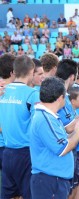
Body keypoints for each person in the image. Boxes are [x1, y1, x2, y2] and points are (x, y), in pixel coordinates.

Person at [29, 77, 79, 199]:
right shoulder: (45, 118)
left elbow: (65, 139)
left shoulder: (50, 116)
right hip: (49, 180)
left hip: (52, 179)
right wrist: (78, 134)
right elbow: (63, 148)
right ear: (60, 97)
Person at [0, 55, 40, 199]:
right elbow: (38, 124)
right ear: (31, 71)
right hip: (26, 152)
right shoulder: (32, 94)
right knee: (28, 193)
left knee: (9, 194)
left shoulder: (3, 91)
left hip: (7, 151)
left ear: (14, 71)